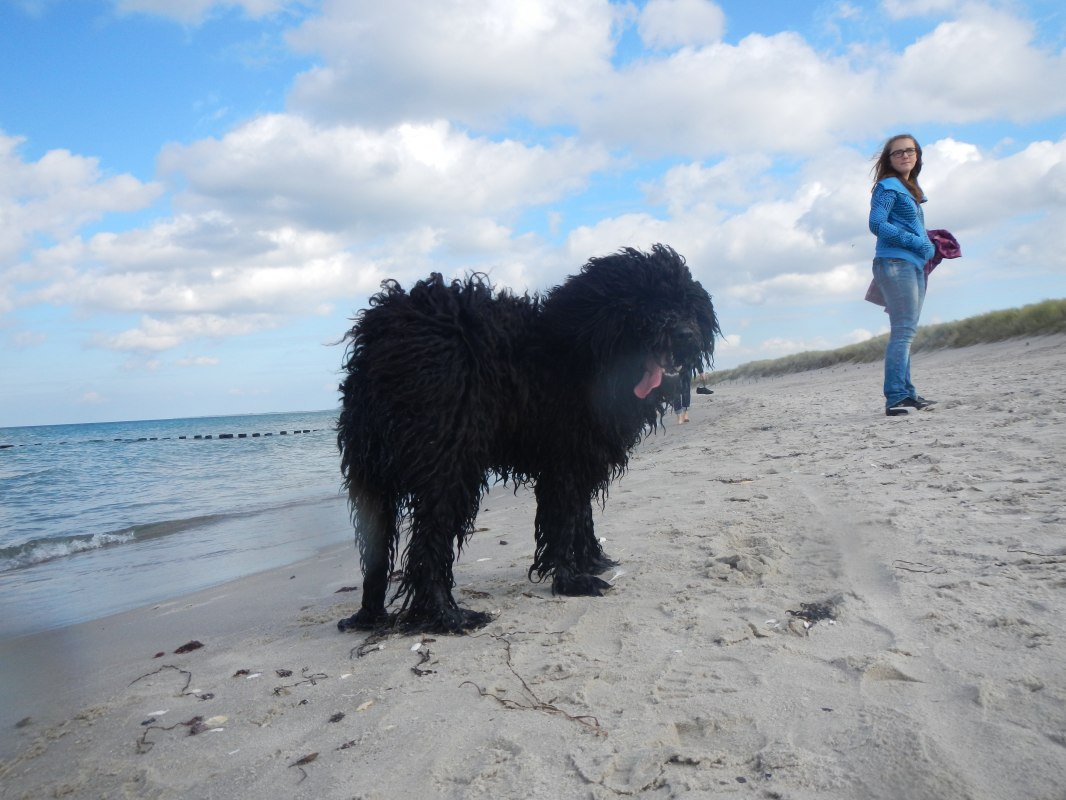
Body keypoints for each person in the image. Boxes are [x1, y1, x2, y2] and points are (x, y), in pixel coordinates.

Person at [869, 133, 936, 417]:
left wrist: (929, 244)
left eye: (910, 151)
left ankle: (906, 392)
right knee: (903, 331)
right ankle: (895, 396)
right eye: (897, 153)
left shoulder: (910, 189)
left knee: (906, 330)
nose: (905, 156)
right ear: (889, 159)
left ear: (918, 155)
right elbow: (876, 224)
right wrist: (916, 242)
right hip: (896, 262)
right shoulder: (888, 187)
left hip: (911, 264)